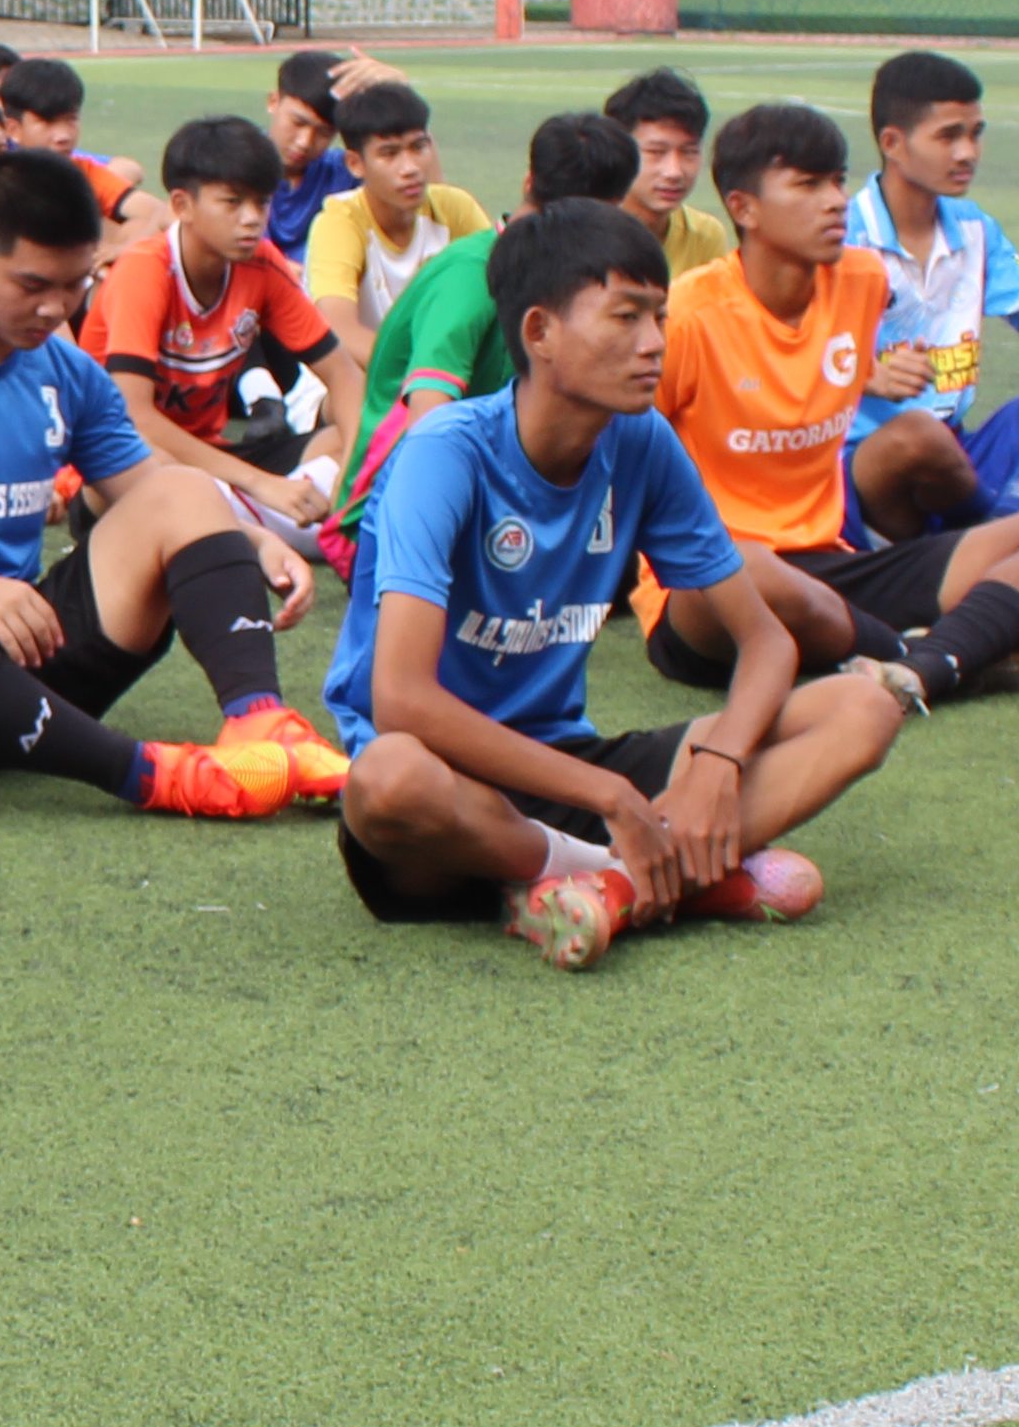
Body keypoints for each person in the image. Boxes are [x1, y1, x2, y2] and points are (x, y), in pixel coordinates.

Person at [333, 201, 899, 967]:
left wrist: (719, 765)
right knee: (387, 779)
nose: (655, 343)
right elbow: (401, 699)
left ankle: (608, 889)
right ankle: (627, 872)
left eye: (659, 317)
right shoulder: (446, 452)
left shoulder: (640, 440)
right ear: (540, 332)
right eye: (626, 317)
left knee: (863, 707)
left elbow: (767, 642)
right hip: (451, 800)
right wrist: (612, 799)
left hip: (567, 761)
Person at [0, 150, 331, 818]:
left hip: (28, 657)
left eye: (74, 285)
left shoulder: (66, 372)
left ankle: (262, 725)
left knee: (186, 490)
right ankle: (155, 777)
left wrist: (251, 540)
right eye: (32, 284)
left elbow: (153, 494)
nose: (54, 308)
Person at [647, 99, 1019, 712]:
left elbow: (811, 357)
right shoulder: (689, 315)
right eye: (808, 185)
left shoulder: (863, 281)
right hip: (709, 590)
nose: (836, 201)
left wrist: (876, 374)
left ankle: (921, 665)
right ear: (743, 208)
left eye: (837, 181)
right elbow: (622, 452)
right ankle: (931, 653)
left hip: (836, 561)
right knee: (746, 566)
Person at [846, 49, 1019, 536]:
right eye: (948, 136)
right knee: (918, 436)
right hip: (868, 460)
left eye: (975, 133)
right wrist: (866, 377)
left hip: (954, 449)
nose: (968, 153)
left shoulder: (973, 227)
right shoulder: (843, 236)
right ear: (892, 143)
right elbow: (789, 356)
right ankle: (990, 536)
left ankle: (1006, 519)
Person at [340, 111, 644, 519]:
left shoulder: (567, 279)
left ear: (529, 182)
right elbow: (427, 421)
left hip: (499, 496)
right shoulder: (471, 274)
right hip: (390, 513)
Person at [80, 113, 346, 515]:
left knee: (348, 440)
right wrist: (259, 483)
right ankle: (247, 525)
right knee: (151, 466)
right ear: (182, 205)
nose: (252, 218)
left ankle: (244, 521)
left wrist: (353, 476)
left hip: (214, 458)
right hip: (131, 464)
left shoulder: (263, 263)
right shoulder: (145, 269)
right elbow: (135, 416)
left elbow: (345, 377)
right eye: (233, 202)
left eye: (262, 202)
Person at [319, 81, 494, 377]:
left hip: (439, 373)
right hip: (360, 376)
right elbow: (339, 328)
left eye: (418, 147)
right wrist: (425, 375)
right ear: (355, 163)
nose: (410, 167)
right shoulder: (340, 221)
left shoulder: (455, 207)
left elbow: (503, 288)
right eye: (389, 154)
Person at [602, 67, 737, 282]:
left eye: (689, 152)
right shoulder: (579, 233)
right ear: (619, 151)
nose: (674, 172)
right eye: (656, 152)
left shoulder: (705, 235)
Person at [0, 57, 149, 236]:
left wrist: (121, 246)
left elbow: (153, 212)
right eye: (47, 122)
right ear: (13, 129)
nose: (64, 136)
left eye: (71, 119)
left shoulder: (83, 172)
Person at [261, 50, 361, 268]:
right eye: (298, 123)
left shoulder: (345, 172)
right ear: (273, 102)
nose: (305, 142)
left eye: (324, 133)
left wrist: (393, 91)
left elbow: (426, 200)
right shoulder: (234, 160)